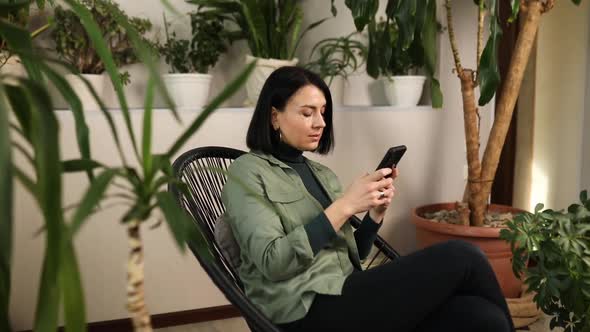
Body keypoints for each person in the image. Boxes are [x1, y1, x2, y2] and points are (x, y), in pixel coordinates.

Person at [220, 66, 515, 332]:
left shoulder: (321, 174)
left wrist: (374, 214)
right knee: (462, 254)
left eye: (323, 112)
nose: (320, 122)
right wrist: (345, 204)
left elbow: (355, 253)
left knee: (484, 318)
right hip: (304, 308)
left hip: (347, 291)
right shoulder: (246, 173)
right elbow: (274, 262)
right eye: (307, 113)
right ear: (274, 116)